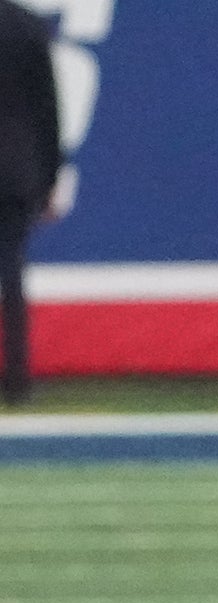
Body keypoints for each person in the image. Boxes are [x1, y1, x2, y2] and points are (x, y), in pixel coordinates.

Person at [0, 0, 63, 407]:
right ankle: (18, 379)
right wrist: (49, 179)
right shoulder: (26, 25)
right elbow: (47, 109)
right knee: (12, 273)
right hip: (16, 170)